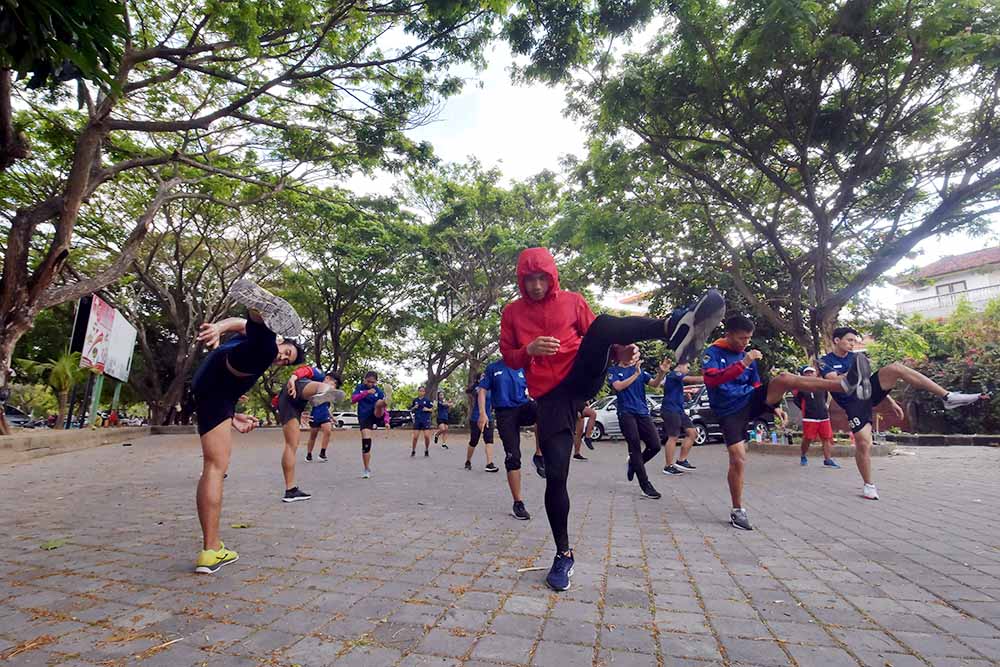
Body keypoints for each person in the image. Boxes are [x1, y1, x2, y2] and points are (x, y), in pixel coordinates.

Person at [500, 247, 727, 591]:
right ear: (520, 280)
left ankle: (673, 326)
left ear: (552, 276)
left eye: (541, 278)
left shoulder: (573, 302)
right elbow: (510, 357)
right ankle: (563, 554)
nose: (534, 285)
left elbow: (602, 340)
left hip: (581, 375)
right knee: (556, 476)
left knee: (605, 324)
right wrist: (528, 350)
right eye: (528, 279)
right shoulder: (513, 313)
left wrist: (624, 351)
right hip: (550, 399)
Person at [703, 315, 870, 531]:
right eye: (741, 338)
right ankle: (737, 510)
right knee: (738, 458)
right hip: (728, 412)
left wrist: (774, 406)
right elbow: (712, 379)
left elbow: (755, 385)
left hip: (749, 400)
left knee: (783, 378)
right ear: (729, 334)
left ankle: (844, 385)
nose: (745, 343)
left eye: (748, 339)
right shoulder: (713, 353)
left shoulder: (747, 356)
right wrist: (744, 362)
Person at [192, 279, 304, 574]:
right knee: (262, 347)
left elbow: (223, 392)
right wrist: (218, 328)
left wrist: (233, 416)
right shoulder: (268, 351)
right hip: (229, 365)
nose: (283, 358)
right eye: (287, 351)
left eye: (287, 360)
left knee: (215, 467)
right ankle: (259, 311)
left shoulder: (264, 358)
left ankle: (210, 550)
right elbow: (236, 323)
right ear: (284, 342)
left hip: (210, 390)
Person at [819, 326, 987, 500]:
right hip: (853, 404)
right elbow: (833, 380)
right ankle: (868, 485)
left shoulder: (857, 358)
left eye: (855, 341)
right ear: (837, 341)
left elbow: (868, 381)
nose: (853, 344)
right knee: (863, 444)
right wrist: (853, 374)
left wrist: (890, 401)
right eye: (849, 340)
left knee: (895, 368)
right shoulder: (824, 361)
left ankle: (947, 396)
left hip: (867, 394)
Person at [479, 358, 538, 520]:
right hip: (505, 414)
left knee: (542, 410)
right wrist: (483, 413)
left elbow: (535, 387)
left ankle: (539, 455)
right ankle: (518, 502)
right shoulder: (493, 368)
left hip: (523, 407)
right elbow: (482, 390)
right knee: (513, 457)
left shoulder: (523, 365)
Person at [276, 367, 345, 501]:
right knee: (322, 386)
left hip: (290, 403)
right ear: (329, 378)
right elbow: (305, 370)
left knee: (292, 445)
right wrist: (293, 377)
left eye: (333, 387)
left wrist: (295, 413)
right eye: (333, 384)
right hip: (296, 386)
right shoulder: (320, 375)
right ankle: (323, 391)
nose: (333, 386)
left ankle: (290, 490)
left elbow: (277, 401)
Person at [607, 348, 664, 498]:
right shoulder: (614, 370)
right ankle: (645, 485)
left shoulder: (639, 370)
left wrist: (662, 373)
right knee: (635, 446)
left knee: (655, 445)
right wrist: (635, 374)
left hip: (643, 412)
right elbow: (618, 386)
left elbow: (654, 384)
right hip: (626, 413)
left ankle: (633, 463)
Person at [660, 360, 702, 475]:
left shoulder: (677, 378)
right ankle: (668, 466)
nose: (688, 370)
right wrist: (708, 377)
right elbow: (690, 379)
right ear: (680, 366)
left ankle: (681, 461)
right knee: (673, 436)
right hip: (670, 409)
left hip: (679, 410)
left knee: (692, 433)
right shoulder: (674, 374)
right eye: (687, 367)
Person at [794, 366, 839, 468]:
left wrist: (825, 406)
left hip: (823, 416)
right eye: (807, 373)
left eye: (811, 372)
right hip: (809, 417)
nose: (809, 374)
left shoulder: (821, 385)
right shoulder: (801, 387)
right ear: (803, 375)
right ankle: (803, 455)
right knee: (808, 438)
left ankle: (828, 459)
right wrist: (805, 409)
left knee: (826, 438)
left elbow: (826, 397)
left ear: (815, 374)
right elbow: (797, 401)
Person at [352, 371, 386, 478]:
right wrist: (366, 393)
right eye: (368, 381)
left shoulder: (378, 391)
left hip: (377, 415)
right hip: (365, 418)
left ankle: (385, 400)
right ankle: (366, 468)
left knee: (379, 403)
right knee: (366, 442)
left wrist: (387, 421)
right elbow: (353, 400)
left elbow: (386, 411)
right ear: (364, 379)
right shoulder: (360, 388)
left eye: (373, 382)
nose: (371, 384)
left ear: (376, 382)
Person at [465, 374, 497, 472]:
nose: (485, 377)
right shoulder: (477, 388)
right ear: (478, 380)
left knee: (489, 440)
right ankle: (468, 461)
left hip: (489, 418)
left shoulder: (492, 389)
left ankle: (489, 463)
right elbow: (471, 391)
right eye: (482, 376)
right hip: (476, 418)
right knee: (474, 441)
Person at [304, 381, 337, 462]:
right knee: (313, 436)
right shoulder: (316, 393)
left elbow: (326, 408)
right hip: (315, 415)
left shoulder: (329, 398)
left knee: (328, 431)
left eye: (333, 387)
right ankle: (309, 454)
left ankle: (322, 453)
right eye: (331, 385)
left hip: (324, 416)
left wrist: (332, 417)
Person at [409, 385, 434, 457]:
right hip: (417, 420)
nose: (421, 392)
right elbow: (411, 410)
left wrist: (427, 409)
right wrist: (414, 407)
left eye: (423, 391)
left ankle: (426, 450)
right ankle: (413, 450)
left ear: (424, 392)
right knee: (415, 437)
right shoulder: (415, 400)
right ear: (418, 391)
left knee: (426, 436)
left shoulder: (427, 400)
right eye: (420, 391)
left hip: (425, 420)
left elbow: (432, 410)